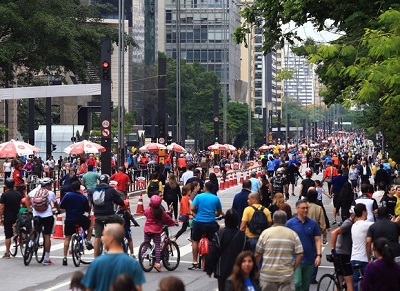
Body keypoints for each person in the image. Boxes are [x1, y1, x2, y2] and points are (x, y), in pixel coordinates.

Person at [81, 223, 145, 291]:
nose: (102, 239)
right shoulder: (133, 264)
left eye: (104, 235)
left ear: (111, 238)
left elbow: (88, 289)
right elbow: (138, 289)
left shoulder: (97, 263)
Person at [255, 210, 303, 291]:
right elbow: (300, 254)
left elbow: (258, 255)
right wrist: (293, 268)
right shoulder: (293, 234)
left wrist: (255, 270)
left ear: (273, 219)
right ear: (286, 220)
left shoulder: (265, 233)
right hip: (286, 275)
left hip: (268, 275)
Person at [205, 209, 250, 291]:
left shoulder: (219, 234)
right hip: (238, 270)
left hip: (222, 270)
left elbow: (213, 253)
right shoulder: (243, 236)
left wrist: (209, 268)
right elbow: (248, 253)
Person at [286, 199, 322, 291]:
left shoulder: (313, 223)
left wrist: (318, 255)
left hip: (309, 259)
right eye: (303, 208)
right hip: (295, 259)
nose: (305, 210)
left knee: (306, 286)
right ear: (297, 209)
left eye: (307, 208)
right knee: (297, 283)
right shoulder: (290, 223)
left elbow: (317, 239)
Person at [25, 177, 61, 265]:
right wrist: (58, 210)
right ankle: (46, 259)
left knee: (35, 229)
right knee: (47, 236)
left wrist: (29, 209)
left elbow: (26, 198)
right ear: (48, 185)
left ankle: (30, 244)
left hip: (36, 215)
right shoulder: (50, 193)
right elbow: (56, 204)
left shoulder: (34, 191)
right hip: (48, 216)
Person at [87, 174, 125, 257]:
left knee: (97, 236)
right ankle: (118, 238)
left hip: (98, 216)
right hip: (110, 215)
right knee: (122, 221)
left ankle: (95, 258)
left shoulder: (94, 190)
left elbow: (92, 202)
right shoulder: (111, 190)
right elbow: (119, 201)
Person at [189, 181, 224, 270]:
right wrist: (215, 214)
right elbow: (219, 212)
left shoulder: (199, 196)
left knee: (195, 241)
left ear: (204, 188)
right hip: (211, 222)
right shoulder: (215, 198)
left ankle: (194, 261)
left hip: (199, 222)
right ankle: (213, 260)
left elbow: (192, 208)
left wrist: (197, 213)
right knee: (213, 241)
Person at [60, 181, 93, 266]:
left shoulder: (67, 195)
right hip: (80, 218)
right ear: (79, 188)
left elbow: (62, 206)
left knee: (67, 238)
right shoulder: (83, 197)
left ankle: (64, 257)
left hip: (69, 219)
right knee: (90, 225)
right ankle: (88, 241)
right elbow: (86, 209)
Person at [142, 195, 176, 272]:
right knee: (157, 246)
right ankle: (157, 263)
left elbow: (145, 213)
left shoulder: (148, 210)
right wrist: (173, 223)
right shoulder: (161, 212)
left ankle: (141, 258)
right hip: (156, 230)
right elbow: (167, 218)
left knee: (145, 245)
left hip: (147, 230)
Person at [330, 206, 355, 291]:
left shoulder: (350, 223)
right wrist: (333, 249)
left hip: (340, 254)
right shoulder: (348, 224)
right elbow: (334, 233)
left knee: (339, 282)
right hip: (344, 254)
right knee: (349, 282)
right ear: (352, 216)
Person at [350, 203, 373, 291]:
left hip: (354, 258)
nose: (367, 213)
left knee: (356, 283)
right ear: (364, 212)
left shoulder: (353, 225)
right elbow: (379, 226)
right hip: (364, 259)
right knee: (368, 284)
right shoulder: (366, 225)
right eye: (366, 211)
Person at [0, 178, 22, 258]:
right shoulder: (18, 194)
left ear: (6, 185)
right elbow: (20, 204)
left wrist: (1, 217)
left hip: (8, 216)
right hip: (17, 215)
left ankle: (7, 252)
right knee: (19, 229)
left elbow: (2, 207)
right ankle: (21, 237)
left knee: (8, 235)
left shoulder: (4, 195)